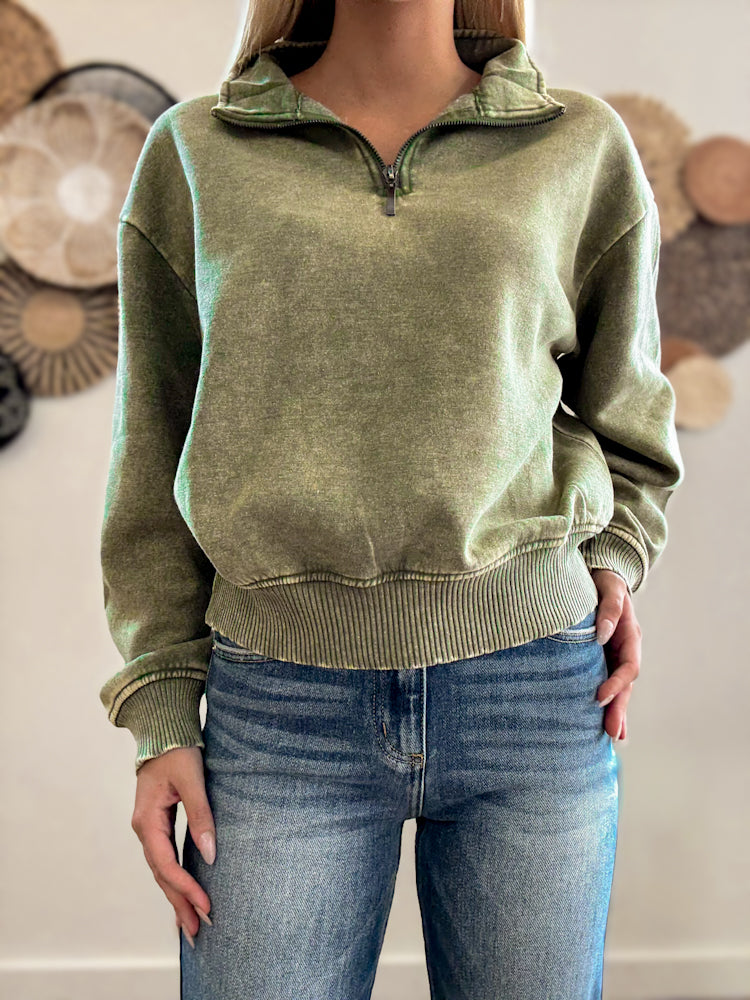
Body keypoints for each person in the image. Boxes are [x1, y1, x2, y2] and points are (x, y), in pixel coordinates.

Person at [98, 0, 685, 996]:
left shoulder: (579, 145)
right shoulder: (195, 153)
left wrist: (616, 559)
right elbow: (152, 450)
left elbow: (629, 416)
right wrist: (160, 708)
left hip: (535, 693)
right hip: (277, 710)